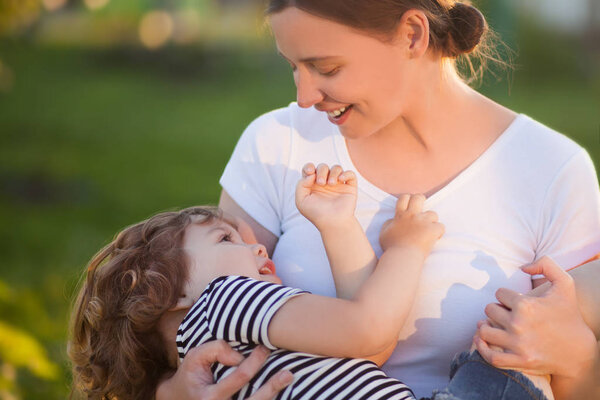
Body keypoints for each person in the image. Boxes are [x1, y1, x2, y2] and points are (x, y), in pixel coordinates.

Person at [159, 1, 600, 398]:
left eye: (326, 68)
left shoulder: (551, 170)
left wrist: (577, 360)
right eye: (293, 66)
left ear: (412, 34)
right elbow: (194, 314)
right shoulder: (277, 145)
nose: (304, 96)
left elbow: (563, 381)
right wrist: (176, 394)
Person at [69, 164, 556, 400]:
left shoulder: (217, 355)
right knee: (515, 347)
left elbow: (363, 351)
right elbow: (369, 330)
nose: (257, 246)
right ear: (173, 291)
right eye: (224, 239)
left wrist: (337, 225)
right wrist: (407, 248)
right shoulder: (226, 301)